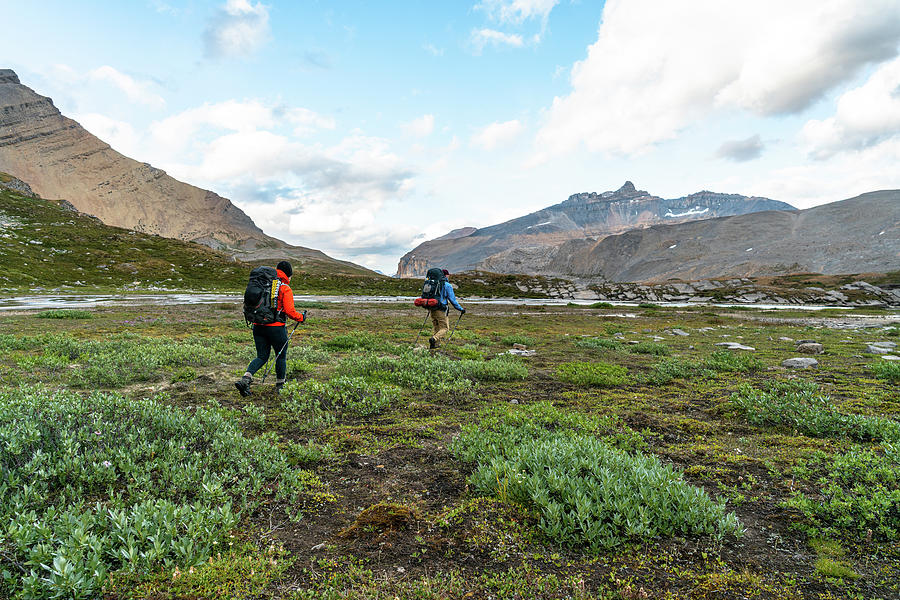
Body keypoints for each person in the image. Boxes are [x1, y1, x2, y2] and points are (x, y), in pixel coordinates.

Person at [235, 260, 305, 396]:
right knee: (281, 357)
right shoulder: (284, 288)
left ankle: (245, 379)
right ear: (288, 274)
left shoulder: (263, 285)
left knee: (261, 356)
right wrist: (301, 317)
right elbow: (290, 312)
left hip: (258, 326)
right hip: (276, 328)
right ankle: (280, 386)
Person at [429, 269, 465, 349]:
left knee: (436, 328)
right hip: (441, 310)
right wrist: (461, 309)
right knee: (445, 328)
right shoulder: (447, 285)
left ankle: (435, 345)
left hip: (432, 309)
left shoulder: (433, 284)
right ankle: (434, 339)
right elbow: (452, 300)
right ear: (446, 275)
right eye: (448, 274)